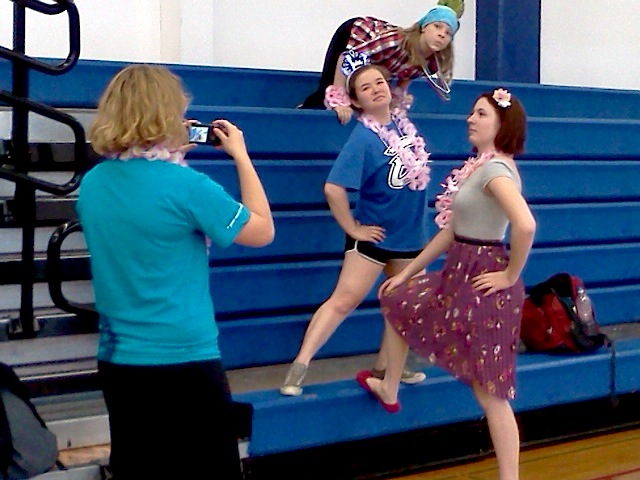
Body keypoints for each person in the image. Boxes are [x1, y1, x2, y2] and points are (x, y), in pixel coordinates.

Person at [76, 64, 274, 479]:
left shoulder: (93, 184)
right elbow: (262, 230)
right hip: (185, 359)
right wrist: (241, 155)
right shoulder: (187, 186)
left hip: (119, 360)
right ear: (167, 113)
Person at [357, 88, 534, 480]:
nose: (470, 119)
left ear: (502, 125)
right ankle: (390, 386)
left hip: (484, 278)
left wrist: (509, 275)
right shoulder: (479, 166)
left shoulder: (495, 171)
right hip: (461, 271)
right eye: (472, 113)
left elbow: (525, 224)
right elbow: (453, 230)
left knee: (491, 393)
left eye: (481, 114)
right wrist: (406, 270)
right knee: (400, 297)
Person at [280, 54, 433, 397]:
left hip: (411, 237)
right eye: (366, 87)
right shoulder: (363, 139)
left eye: (379, 82)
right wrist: (353, 228)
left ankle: (387, 367)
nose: (376, 89)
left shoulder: (406, 126)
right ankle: (300, 366)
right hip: (375, 238)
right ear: (357, 100)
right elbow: (333, 187)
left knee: (405, 306)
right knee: (344, 300)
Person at [299, 0, 464, 124]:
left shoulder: (429, 64)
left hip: (376, 59)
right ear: (423, 27)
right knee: (328, 89)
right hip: (356, 35)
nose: (442, 34)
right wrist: (340, 101)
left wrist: (396, 105)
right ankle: (306, 109)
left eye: (448, 33)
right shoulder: (395, 41)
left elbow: (404, 77)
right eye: (437, 26)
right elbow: (347, 57)